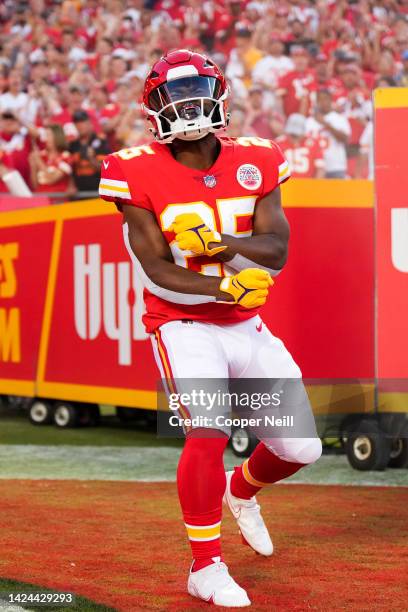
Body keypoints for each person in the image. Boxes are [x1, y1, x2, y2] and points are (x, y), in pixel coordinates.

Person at [99, 49, 322, 608]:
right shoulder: (131, 168)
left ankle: (239, 490)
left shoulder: (259, 157)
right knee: (207, 430)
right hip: (182, 323)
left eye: (196, 88)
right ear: (153, 107)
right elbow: (156, 266)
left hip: (246, 323)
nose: (186, 102)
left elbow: (277, 247)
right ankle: (205, 566)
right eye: (172, 94)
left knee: (301, 448)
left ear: (219, 92)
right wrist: (228, 284)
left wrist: (229, 250)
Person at [306, 89, 351, 179]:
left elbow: (345, 139)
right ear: (316, 102)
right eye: (320, 100)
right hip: (316, 168)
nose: (323, 102)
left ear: (331, 100)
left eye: (326, 99)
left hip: (336, 166)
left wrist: (326, 124)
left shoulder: (340, 119)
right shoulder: (309, 121)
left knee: (338, 193)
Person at [70, 110, 111, 193]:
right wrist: (71, 185)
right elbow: (71, 169)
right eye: (77, 123)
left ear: (90, 123)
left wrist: (92, 159)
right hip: (79, 194)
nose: (79, 125)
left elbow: (106, 170)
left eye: (82, 122)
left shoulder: (101, 142)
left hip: (97, 194)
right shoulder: (73, 145)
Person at [29, 124, 73, 198]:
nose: (46, 139)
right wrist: (33, 166)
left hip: (57, 201)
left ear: (57, 137)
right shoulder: (41, 155)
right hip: (41, 200)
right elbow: (35, 185)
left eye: (49, 135)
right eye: (45, 135)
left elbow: (51, 179)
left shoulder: (66, 156)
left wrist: (38, 162)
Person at [278, 113, 325, 178]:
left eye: (296, 135)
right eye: (292, 134)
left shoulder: (313, 143)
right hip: (285, 186)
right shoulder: (278, 143)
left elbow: (320, 169)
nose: (294, 137)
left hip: (307, 186)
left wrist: (316, 187)